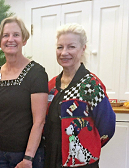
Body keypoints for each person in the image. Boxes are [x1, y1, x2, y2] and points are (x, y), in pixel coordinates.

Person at [44, 23, 116, 168]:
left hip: (81, 162)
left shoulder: (91, 85)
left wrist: (88, 146)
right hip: (51, 159)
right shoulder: (51, 86)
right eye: (60, 47)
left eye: (71, 47)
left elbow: (107, 127)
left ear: (83, 49)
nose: (64, 52)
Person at [0, 16, 48, 168]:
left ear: (24, 40)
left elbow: (39, 121)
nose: (10, 39)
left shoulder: (37, 73)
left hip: (25, 155)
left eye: (16, 35)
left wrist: (28, 158)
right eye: (5, 35)